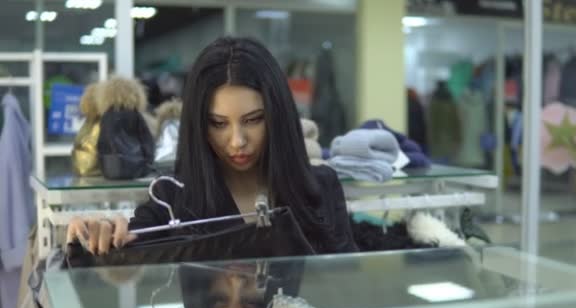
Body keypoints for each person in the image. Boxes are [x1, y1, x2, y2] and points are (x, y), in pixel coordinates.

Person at [66, 37, 358, 257]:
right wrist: (101, 232)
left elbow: (345, 284)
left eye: (254, 120)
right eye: (218, 124)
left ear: (277, 117)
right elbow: (126, 247)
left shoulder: (322, 186)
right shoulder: (173, 199)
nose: (237, 141)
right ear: (198, 126)